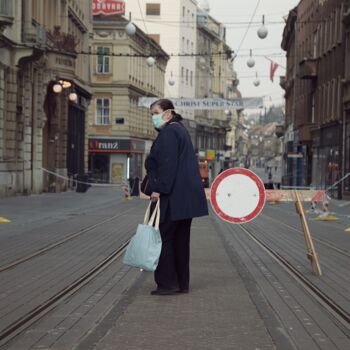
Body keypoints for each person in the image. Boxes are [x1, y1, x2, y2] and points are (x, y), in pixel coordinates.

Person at [145, 99, 209, 296]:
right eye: (152, 114)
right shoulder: (180, 130)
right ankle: (181, 283)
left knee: (163, 239)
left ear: (168, 113)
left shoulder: (170, 133)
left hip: (172, 197)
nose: (153, 117)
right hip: (184, 199)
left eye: (155, 112)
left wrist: (159, 189)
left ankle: (167, 283)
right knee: (180, 240)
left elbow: (167, 164)